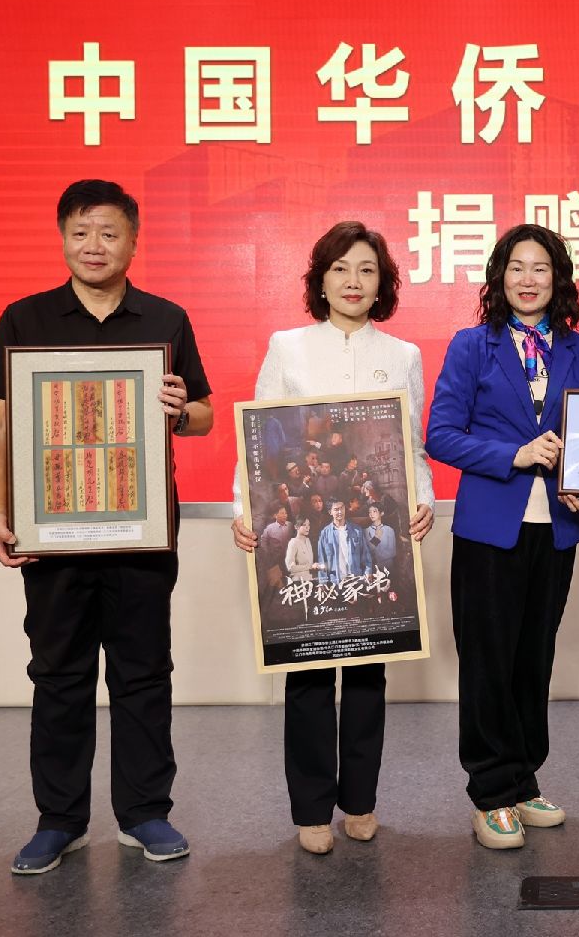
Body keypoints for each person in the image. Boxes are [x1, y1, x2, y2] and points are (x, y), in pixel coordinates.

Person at [0, 179, 213, 874]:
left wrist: (180, 408)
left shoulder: (165, 318)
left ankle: (144, 812)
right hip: (52, 535)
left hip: (141, 533)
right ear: (62, 239)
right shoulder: (25, 318)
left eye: (109, 233)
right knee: (59, 674)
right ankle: (60, 820)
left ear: (133, 241)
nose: (94, 246)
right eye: (80, 232)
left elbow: (202, 414)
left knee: (144, 673)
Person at [231, 221, 435, 854]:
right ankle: (312, 808)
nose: (353, 281)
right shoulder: (288, 347)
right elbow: (258, 442)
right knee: (309, 673)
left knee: (370, 670)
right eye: (341, 268)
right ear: (320, 280)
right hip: (310, 525)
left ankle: (361, 801)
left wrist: (423, 500)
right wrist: (245, 509)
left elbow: (413, 447)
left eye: (367, 270)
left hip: (367, 526)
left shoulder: (402, 355)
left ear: (383, 283)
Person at [426, 223, 579, 850]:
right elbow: (440, 435)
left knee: (534, 657)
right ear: (499, 278)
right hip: (488, 527)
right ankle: (491, 792)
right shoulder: (473, 345)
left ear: (558, 279)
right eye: (517, 268)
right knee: (488, 660)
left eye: (541, 268)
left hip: (556, 527)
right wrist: (515, 454)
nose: (528, 280)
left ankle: (524, 779)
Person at [285, 517, 321, 584]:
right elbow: (290, 568)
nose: (307, 527)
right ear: (296, 527)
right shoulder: (293, 543)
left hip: (309, 580)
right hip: (298, 582)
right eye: (304, 525)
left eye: (308, 525)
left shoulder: (308, 541)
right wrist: (310, 566)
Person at [364, 504, 397, 574]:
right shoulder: (367, 530)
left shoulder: (389, 530)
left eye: (374, 511)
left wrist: (376, 557)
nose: (371, 514)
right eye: (369, 512)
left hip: (388, 567)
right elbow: (368, 549)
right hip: (373, 569)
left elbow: (393, 552)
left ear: (382, 513)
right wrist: (377, 537)